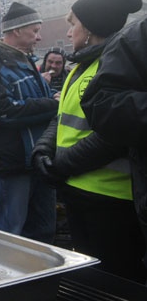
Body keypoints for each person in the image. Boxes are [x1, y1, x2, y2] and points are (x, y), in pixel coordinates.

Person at [33, 0, 145, 282]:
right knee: (88, 273)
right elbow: (62, 117)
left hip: (110, 195)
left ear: (91, 28)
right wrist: (43, 149)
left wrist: (61, 164)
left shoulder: (116, 65)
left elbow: (115, 134)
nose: (69, 33)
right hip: (78, 189)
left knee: (114, 277)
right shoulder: (79, 67)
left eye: (74, 25)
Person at [0, 1, 59, 243]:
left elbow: (32, 101)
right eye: (35, 31)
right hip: (12, 161)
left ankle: (40, 278)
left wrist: (50, 100)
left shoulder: (26, 60)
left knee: (42, 229)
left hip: (37, 157)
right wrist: (54, 104)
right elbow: (1, 111)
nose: (39, 38)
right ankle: (11, 280)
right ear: (17, 30)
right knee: (12, 232)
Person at [81, 14, 147, 281]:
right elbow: (100, 107)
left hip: (103, 185)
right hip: (91, 185)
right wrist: (56, 161)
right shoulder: (135, 38)